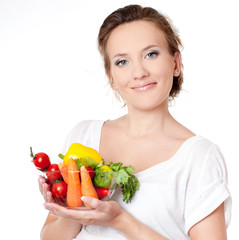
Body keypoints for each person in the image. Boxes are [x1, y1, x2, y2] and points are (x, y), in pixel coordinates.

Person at [39, 4, 231, 240]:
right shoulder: (84, 137)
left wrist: (121, 220)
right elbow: (50, 236)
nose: (138, 72)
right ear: (111, 77)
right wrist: (69, 212)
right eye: (122, 62)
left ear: (176, 63)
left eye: (151, 54)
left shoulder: (199, 157)